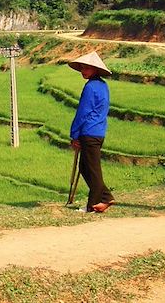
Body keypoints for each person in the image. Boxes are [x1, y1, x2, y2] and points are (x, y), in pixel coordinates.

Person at [68, 51, 115, 213]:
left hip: (89, 132)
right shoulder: (103, 86)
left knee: (92, 169)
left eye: (87, 68)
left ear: (95, 69)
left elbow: (83, 112)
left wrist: (74, 134)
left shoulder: (90, 87)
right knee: (86, 167)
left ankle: (94, 204)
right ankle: (106, 197)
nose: (83, 70)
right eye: (82, 67)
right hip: (98, 131)